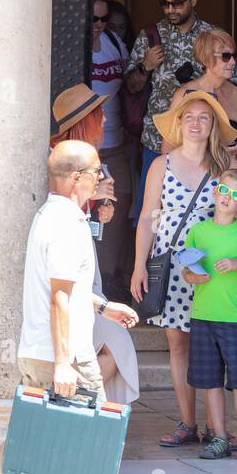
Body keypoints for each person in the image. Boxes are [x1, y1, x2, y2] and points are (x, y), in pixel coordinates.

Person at [0, 141, 140, 474]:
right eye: (97, 173)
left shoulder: (48, 216)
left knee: (19, 444)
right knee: (99, 447)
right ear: (76, 179)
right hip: (64, 356)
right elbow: (59, 297)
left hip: (38, 351)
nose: (102, 179)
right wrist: (65, 363)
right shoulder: (68, 224)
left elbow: (66, 288)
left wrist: (104, 307)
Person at [130, 92, 237, 449]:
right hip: (173, 263)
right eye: (188, 116)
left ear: (212, 127)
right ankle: (188, 422)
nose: (195, 123)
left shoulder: (224, 167)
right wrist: (138, 267)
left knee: (212, 345)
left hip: (214, 269)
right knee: (178, 344)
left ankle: (216, 428)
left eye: (204, 118)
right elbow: (147, 217)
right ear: (178, 123)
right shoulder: (162, 165)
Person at [124, 0, 236, 224]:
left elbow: (232, 86)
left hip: (204, 145)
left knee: (203, 216)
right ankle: (151, 262)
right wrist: (145, 66)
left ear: (193, 1)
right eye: (165, 3)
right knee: (152, 216)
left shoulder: (213, 36)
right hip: (157, 142)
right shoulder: (150, 36)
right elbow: (130, 86)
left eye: (177, 3)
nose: (170, 9)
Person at [50, 85, 138, 404]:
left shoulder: (96, 160)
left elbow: (87, 220)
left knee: (115, 346)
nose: (104, 123)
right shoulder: (57, 160)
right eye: (98, 117)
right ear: (85, 121)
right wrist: (91, 197)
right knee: (110, 345)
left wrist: (100, 210)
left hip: (89, 274)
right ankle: (77, 399)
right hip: (68, 277)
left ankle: (84, 401)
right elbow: (56, 210)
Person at [181, 168, 237, 465]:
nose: (227, 198)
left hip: (234, 318)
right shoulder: (198, 231)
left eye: (235, 195)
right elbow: (187, 270)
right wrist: (194, 278)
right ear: (216, 191)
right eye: (224, 191)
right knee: (210, 382)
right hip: (203, 316)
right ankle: (219, 436)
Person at [88, 0, 136, 302]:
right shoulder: (73, 45)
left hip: (117, 142)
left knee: (119, 207)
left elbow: (129, 87)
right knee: (87, 210)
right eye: (95, 18)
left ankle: (111, 274)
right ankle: (91, 283)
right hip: (86, 146)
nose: (100, 24)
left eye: (105, 19)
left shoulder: (114, 43)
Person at [163, 27, 237, 164]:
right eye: (225, 56)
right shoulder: (184, 95)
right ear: (206, 59)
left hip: (229, 180)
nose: (233, 62)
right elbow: (168, 150)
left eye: (234, 56)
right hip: (193, 178)